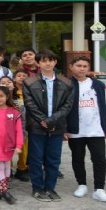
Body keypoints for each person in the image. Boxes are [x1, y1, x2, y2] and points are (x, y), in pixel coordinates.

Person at [23, 49, 73, 202]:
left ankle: (50, 187)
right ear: (38, 63)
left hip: (56, 126)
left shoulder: (66, 82)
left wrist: (52, 120)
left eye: (50, 60)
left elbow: (67, 105)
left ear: (55, 62)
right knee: (36, 158)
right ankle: (37, 188)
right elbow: (29, 104)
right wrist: (42, 120)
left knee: (53, 158)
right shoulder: (29, 82)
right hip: (37, 126)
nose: (47, 63)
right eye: (44, 60)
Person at [66, 56, 106, 203]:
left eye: (85, 66)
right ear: (71, 67)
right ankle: (82, 184)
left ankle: (99, 189)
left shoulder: (98, 84)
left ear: (89, 68)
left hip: (96, 128)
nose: (82, 68)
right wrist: (64, 128)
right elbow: (61, 108)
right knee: (77, 158)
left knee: (99, 159)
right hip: (75, 129)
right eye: (78, 65)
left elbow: (105, 105)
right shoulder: (67, 85)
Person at [0, 86, 23, 204]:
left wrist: (18, 145)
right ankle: (5, 192)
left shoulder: (14, 113)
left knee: (7, 166)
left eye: (1, 96)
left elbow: (19, 131)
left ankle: (0, 191)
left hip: (9, 145)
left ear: (7, 97)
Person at [11, 69, 30, 182]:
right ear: (14, 78)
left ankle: (22, 168)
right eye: (19, 75)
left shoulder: (30, 91)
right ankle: (7, 169)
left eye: (24, 75)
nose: (21, 77)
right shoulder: (10, 92)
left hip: (25, 125)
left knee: (24, 149)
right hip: (11, 124)